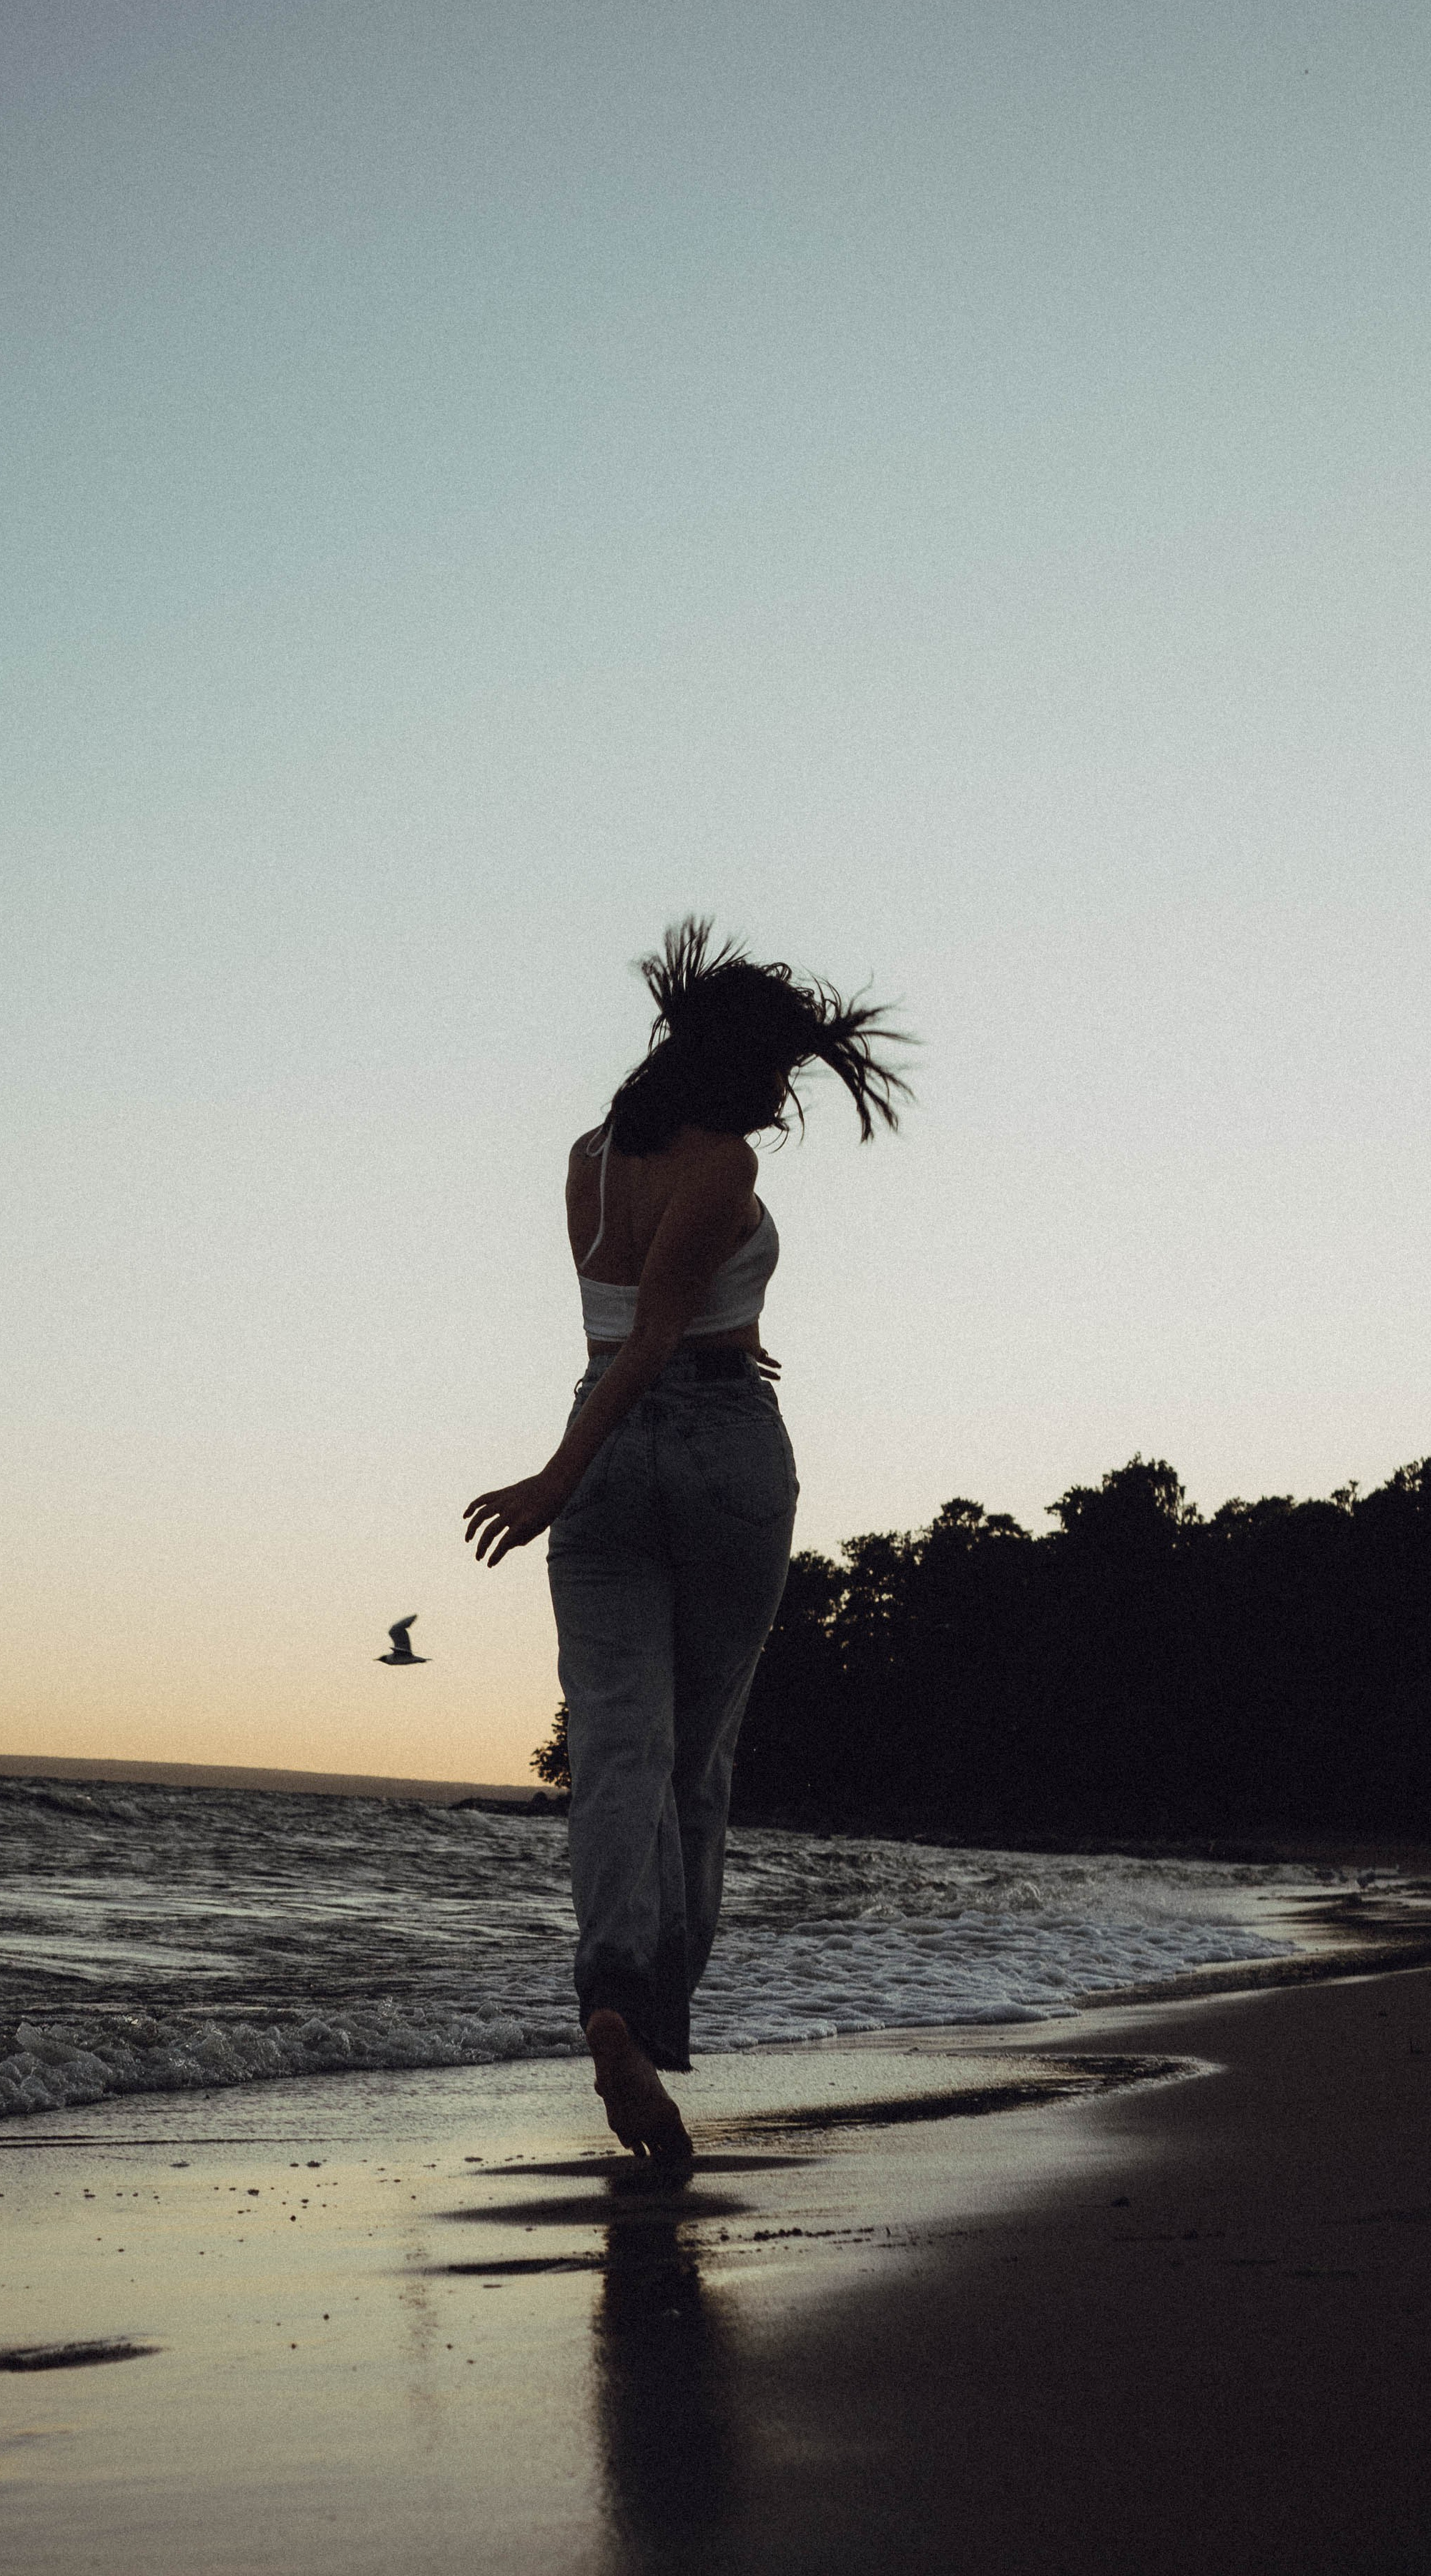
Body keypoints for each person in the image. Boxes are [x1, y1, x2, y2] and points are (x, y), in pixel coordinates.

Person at [466, 920, 910, 2161]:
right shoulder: (722, 1166)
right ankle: (652, 2016)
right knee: (695, 1764)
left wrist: (586, 1456)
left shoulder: (589, 1158)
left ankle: (607, 1994)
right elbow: (663, 1332)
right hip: (710, 1450)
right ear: (731, 1063)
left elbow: (625, 1320)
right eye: (779, 1071)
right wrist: (555, 1478)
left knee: (617, 1746)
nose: (784, 1096)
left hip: (605, 1445)